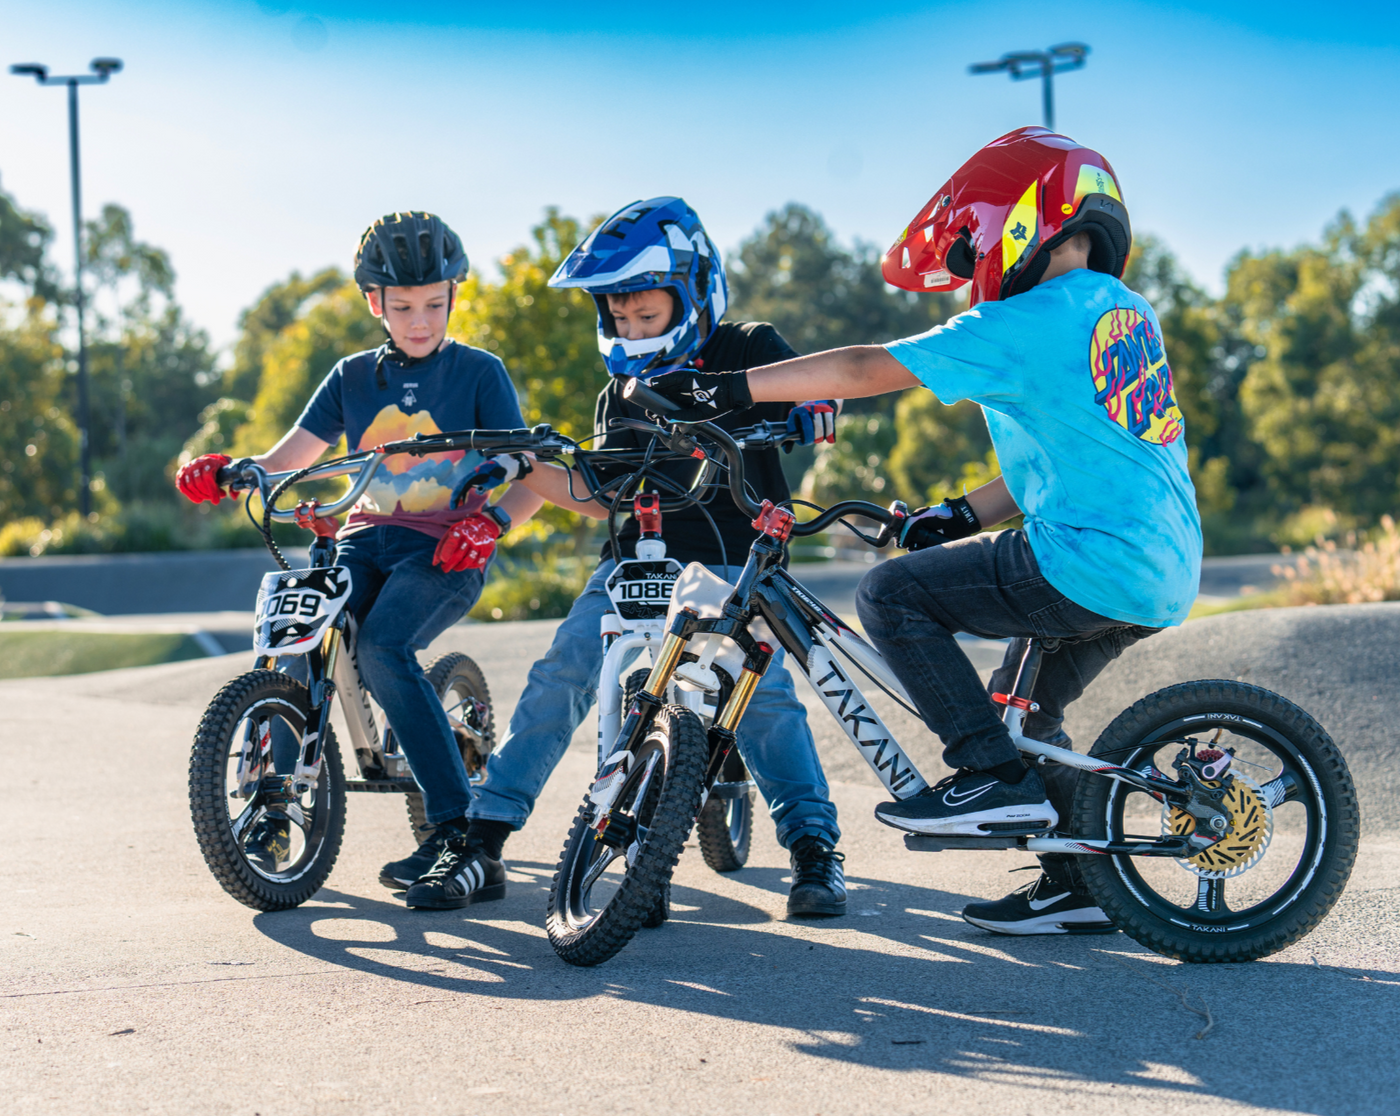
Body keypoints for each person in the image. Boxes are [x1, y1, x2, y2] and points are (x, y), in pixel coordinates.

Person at [640, 129, 1203, 936]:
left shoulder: (1028, 317)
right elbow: (1074, 458)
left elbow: (869, 368)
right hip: (1158, 563)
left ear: (1018, 223)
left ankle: (984, 776)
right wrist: (964, 514)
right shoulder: (1121, 313)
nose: (971, 274)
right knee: (1025, 712)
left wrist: (724, 389)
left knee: (891, 594)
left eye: (973, 246)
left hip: (1084, 558)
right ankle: (1079, 883)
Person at [397, 196, 849, 918]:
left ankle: (813, 849)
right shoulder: (621, 392)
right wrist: (515, 466)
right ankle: (482, 841)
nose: (632, 330)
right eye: (620, 319)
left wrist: (814, 407)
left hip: (733, 559)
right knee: (563, 672)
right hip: (635, 561)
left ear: (694, 293)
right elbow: (594, 491)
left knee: (761, 698)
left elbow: (816, 387)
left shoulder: (748, 348)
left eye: (648, 317)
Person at [176, 212, 542, 887]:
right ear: (374, 303)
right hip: (361, 542)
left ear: (454, 297)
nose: (421, 320)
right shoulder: (351, 377)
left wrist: (490, 522)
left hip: (443, 549)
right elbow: (289, 459)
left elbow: (528, 465)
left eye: (435, 304)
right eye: (403, 306)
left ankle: (458, 831)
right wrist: (233, 471)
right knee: (297, 641)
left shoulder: (479, 374)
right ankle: (275, 801)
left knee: (380, 647)